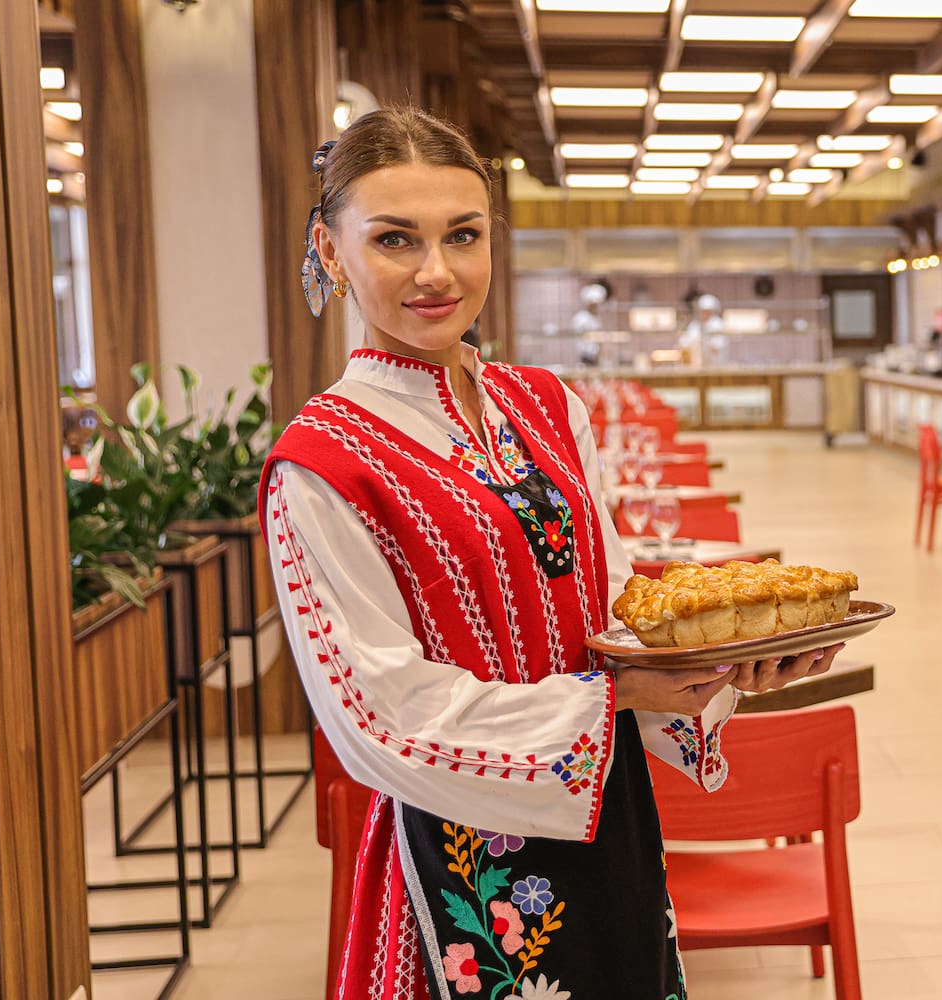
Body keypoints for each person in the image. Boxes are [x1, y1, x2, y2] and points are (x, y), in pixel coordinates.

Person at [264, 107, 842, 1000]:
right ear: (331, 252)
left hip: (609, 820)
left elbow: (610, 614)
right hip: (454, 857)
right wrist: (612, 701)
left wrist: (723, 663)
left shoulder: (545, 405)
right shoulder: (323, 462)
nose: (437, 272)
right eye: (394, 240)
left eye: (463, 235)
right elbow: (374, 717)